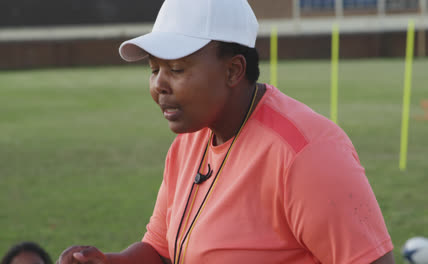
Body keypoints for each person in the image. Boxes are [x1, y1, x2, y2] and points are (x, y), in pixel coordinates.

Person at [57, 0, 395, 263]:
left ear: (233, 70)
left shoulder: (306, 154)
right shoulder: (189, 142)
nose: (159, 84)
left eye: (176, 68)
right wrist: (109, 262)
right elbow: (162, 251)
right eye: (154, 69)